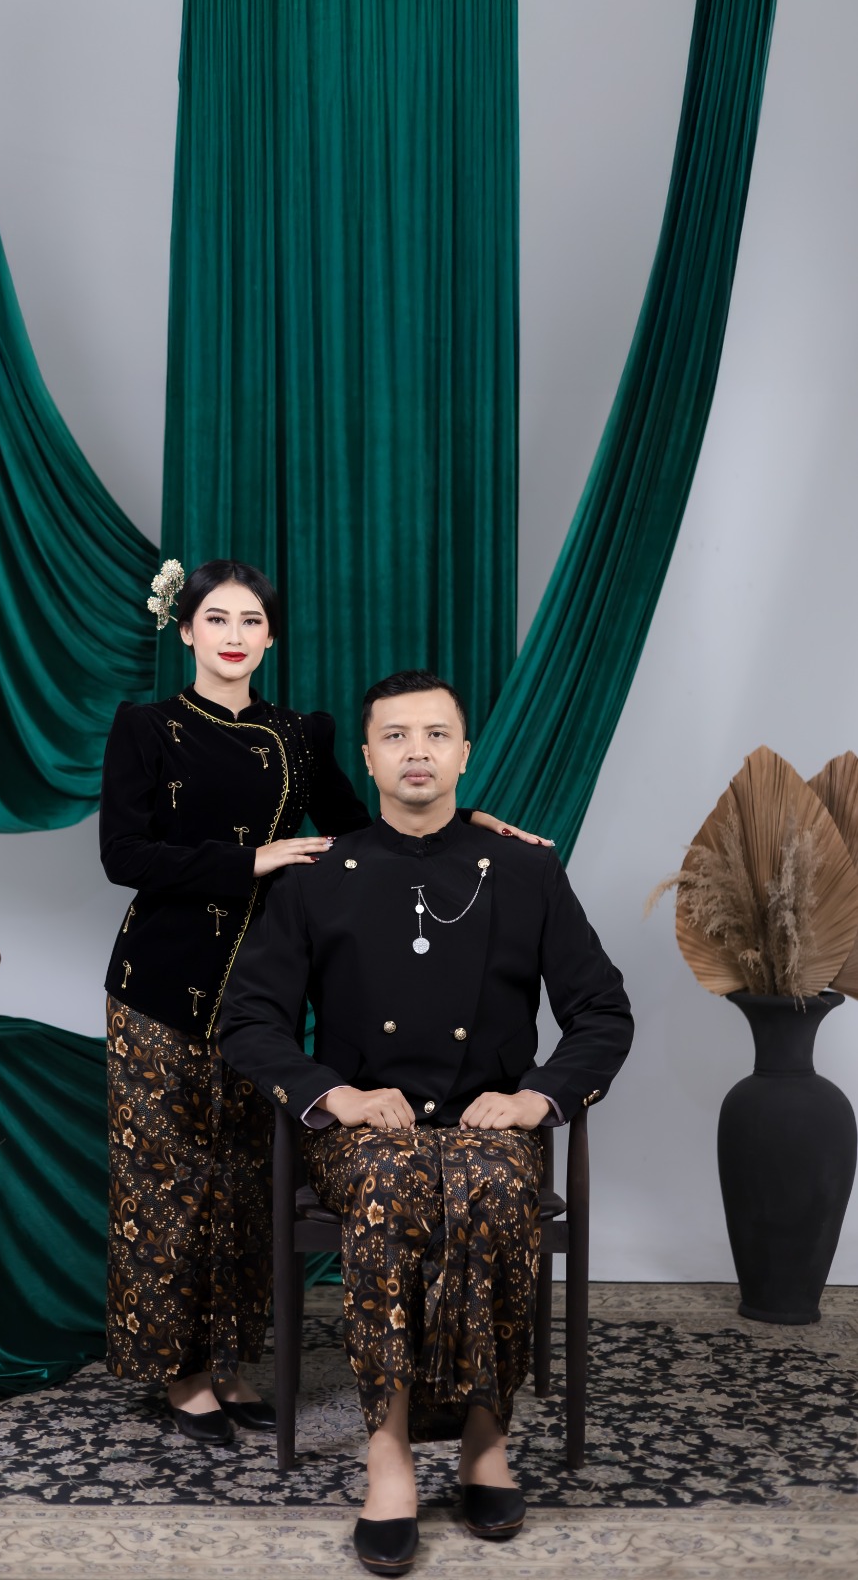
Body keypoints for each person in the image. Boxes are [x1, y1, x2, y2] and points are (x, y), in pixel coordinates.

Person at [100, 566, 541, 1447]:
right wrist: (251, 861)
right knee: (168, 1187)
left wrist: (470, 822)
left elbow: (362, 827)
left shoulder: (297, 735)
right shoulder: (147, 728)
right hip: (160, 988)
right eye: (216, 618)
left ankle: (232, 1365)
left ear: (271, 637)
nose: (233, 635)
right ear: (186, 632)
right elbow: (124, 855)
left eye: (250, 620)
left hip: (262, 994)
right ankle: (181, 1375)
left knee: (246, 1187)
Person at [220, 669, 633, 1571]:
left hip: (490, 1127)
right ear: (368, 760)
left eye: (436, 735)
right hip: (364, 1135)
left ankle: (486, 1438)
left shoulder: (526, 869)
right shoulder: (317, 878)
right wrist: (333, 1096)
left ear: (464, 755)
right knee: (393, 1175)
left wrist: (537, 1098)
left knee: (488, 1178)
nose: (417, 752)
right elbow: (249, 1019)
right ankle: (390, 1450)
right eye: (396, 736)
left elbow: (602, 1011)